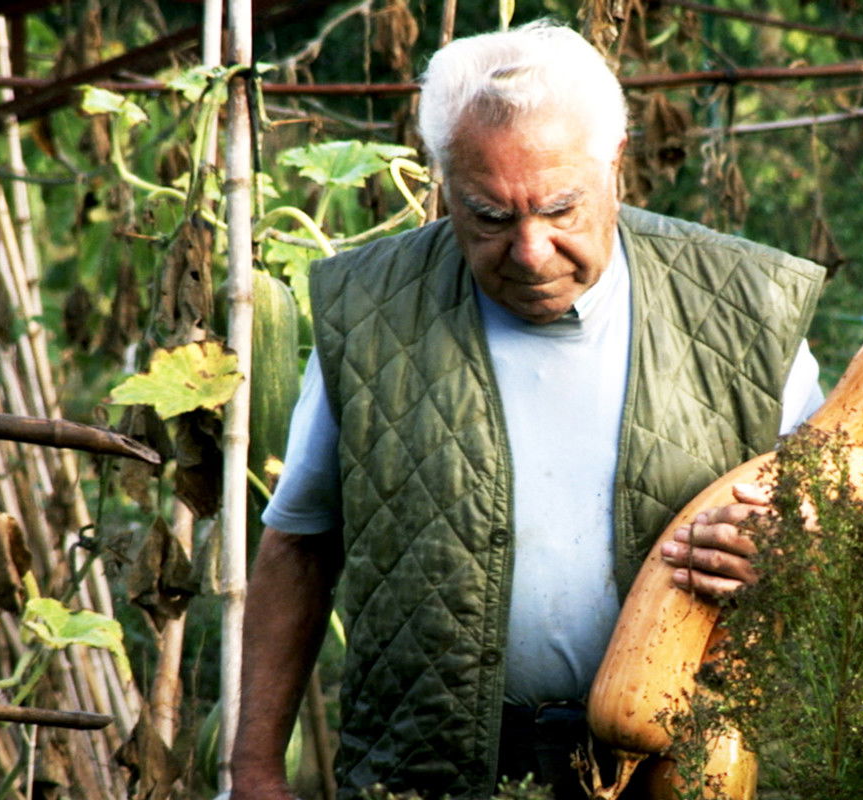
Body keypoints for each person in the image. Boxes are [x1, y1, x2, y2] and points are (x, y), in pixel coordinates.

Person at [230, 20, 825, 800]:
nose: (531, 251)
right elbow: (299, 546)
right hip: (432, 769)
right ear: (443, 182)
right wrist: (253, 771)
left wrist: (790, 551)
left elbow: (832, 532)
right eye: (490, 217)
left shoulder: (745, 307)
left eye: (560, 209)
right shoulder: (370, 309)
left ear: (616, 166)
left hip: (682, 770)